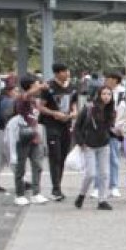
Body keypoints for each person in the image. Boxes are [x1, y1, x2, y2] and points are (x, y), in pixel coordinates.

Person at [37, 63, 78, 202]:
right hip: (52, 125)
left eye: (68, 70)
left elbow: (74, 106)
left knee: (63, 156)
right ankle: (55, 188)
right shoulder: (49, 87)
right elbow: (40, 107)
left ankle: (58, 186)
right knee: (55, 156)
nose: (68, 73)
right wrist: (54, 113)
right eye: (65, 71)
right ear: (57, 73)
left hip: (67, 125)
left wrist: (72, 114)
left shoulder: (72, 87)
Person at [8, 75, 49, 206]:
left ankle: (36, 193)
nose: (39, 86)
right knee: (20, 167)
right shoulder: (22, 98)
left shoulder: (34, 101)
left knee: (37, 166)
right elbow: (26, 95)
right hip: (22, 137)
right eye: (36, 84)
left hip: (35, 138)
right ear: (31, 86)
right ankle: (19, 194)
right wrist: (40, 86)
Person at [74, 84, 116, 211]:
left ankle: (102, 200)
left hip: (104, 144)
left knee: (104, 174)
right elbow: (77, 127)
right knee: (91, 174)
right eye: (104, 94)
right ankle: (81, 195)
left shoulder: (111, 110)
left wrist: (118, 134)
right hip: (89, 145)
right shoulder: (88, 108)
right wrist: (81, 142)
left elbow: (109, 129)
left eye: (109, 94)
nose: (106, 97)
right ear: (98, 95)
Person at [101, 71, 126, 199]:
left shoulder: (123, 93)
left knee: (114, 158)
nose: (106, 81)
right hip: (101, 128)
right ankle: (98, 187)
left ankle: (114, 186)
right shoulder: (101, 91)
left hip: (115, 129)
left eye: (109, 79)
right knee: (99, 159)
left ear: (115, 80)